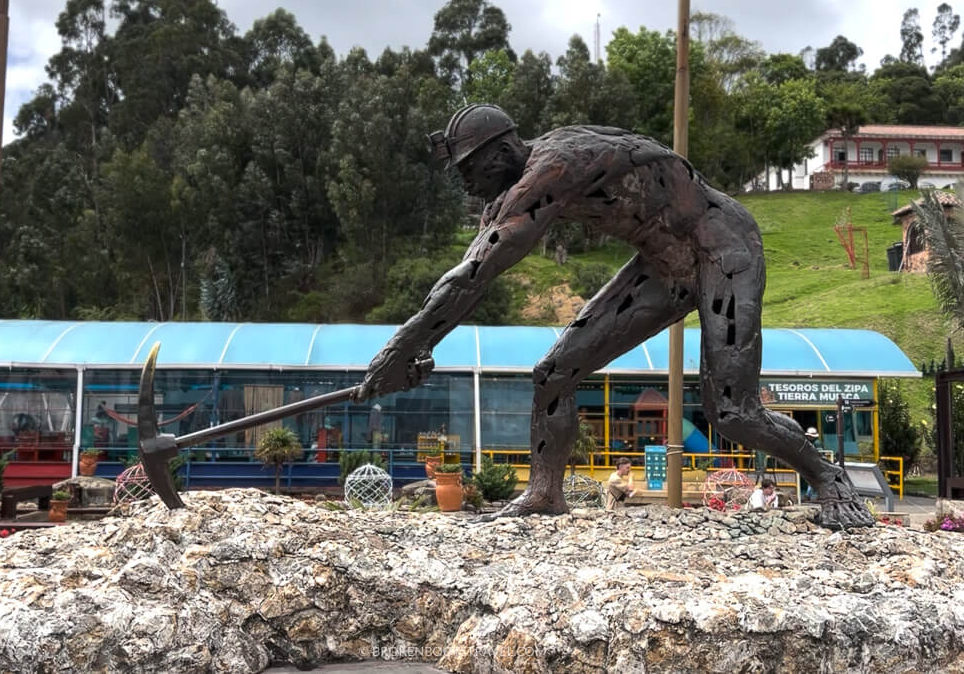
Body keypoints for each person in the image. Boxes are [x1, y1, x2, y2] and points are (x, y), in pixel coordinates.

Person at [352, 103, 872, 528]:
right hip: (663, 264)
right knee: (554, 374)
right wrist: (418, 349)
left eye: (469, 170)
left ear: (504, 151)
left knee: (732, 413)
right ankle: (545, 493)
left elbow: (475, 276)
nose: (465, 185)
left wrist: (400, 348)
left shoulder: (555, 163)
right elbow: (467, 277)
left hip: (722, 248)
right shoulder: (510, 193)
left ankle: (828, 476)